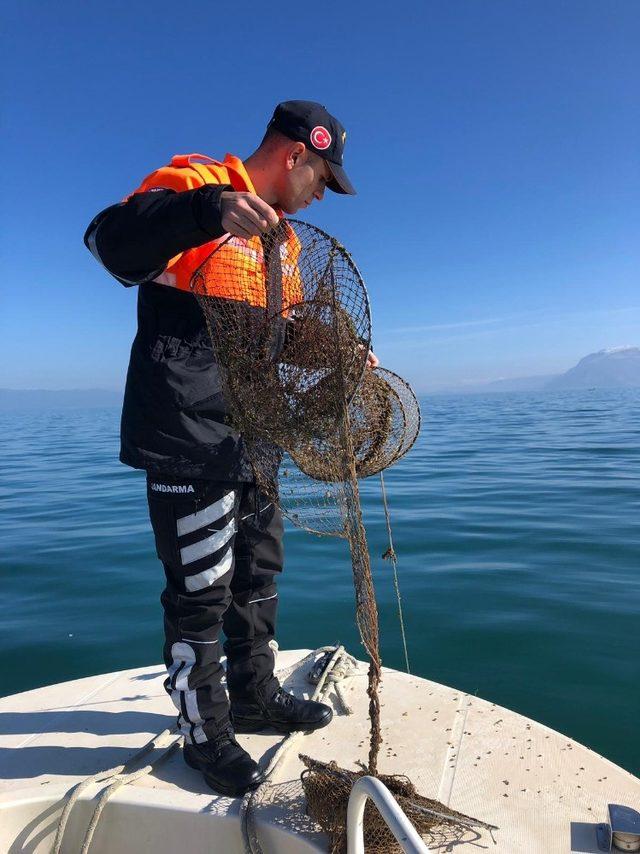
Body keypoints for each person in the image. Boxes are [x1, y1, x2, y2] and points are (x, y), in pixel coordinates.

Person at [84, 101, 376, 798]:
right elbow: (110, 242)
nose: (320, 197)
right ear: (294, 156)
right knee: (201, 595)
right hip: (189, 436)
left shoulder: (291, 246)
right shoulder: (195, 182)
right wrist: (208, 211)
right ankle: (206, 733)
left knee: (256, 574)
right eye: (321, 180)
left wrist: (339, 350)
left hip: (256, 440)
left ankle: (254, 696)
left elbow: (285, 335)